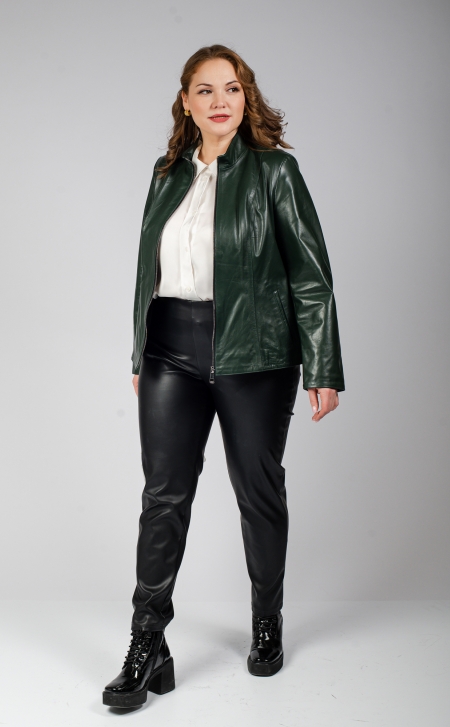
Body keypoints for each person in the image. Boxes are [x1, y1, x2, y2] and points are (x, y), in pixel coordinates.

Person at [103, 44, 345, 710]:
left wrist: (322, 363)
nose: (219, 101)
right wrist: (140, 354)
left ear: (246, 97)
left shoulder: (275, 171)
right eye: (205, 90)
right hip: (170, 350)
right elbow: (146, 270)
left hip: (255, 351)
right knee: (163, 496)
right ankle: (147, 642)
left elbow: (311, 275)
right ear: (186, 102)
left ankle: (267, 620)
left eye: (231, 88)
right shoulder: (166, 175)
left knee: (257, 492)